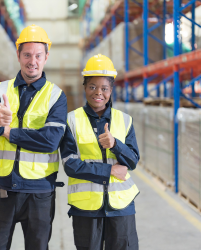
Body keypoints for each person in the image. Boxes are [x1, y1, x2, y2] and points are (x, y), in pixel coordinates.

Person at [0, 24, 67, 250]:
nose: (32, 61)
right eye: (27, 55)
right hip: (2, 188)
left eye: (38, 55)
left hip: (39, 192)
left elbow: (50, 140)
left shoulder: (56, 96)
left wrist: (8, 132)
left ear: (46, 57)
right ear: (18, 55)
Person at [60, 54, 140, 250]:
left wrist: (115, 145)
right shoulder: (71, 120)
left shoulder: (124, 120)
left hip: (121, 207)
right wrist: (110, 171)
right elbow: (71, 165)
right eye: (92, 87)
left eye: (104, 88)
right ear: (85, 88)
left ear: (111, 90)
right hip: (86, 209)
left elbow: (133, 160)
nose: (98, 93)